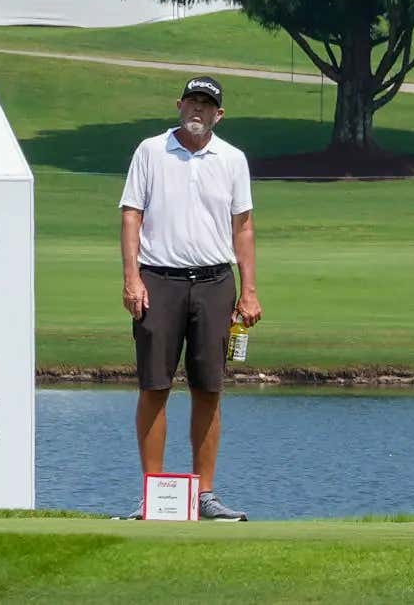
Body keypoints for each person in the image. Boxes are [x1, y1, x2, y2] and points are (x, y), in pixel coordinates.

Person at [117, 75, 262, 520]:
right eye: (192, 102)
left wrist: (250, 290)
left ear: (219, 114)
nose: (198, 110)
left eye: (207, 105)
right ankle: (154, 495)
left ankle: (204, 495)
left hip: (216, 283)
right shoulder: (151, 151)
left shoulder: (232, 159)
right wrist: (131, 278)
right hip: (158, 280)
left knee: (209, 389)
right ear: (178, 105)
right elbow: (131, 216)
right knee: (154, 387)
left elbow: (243, 227)